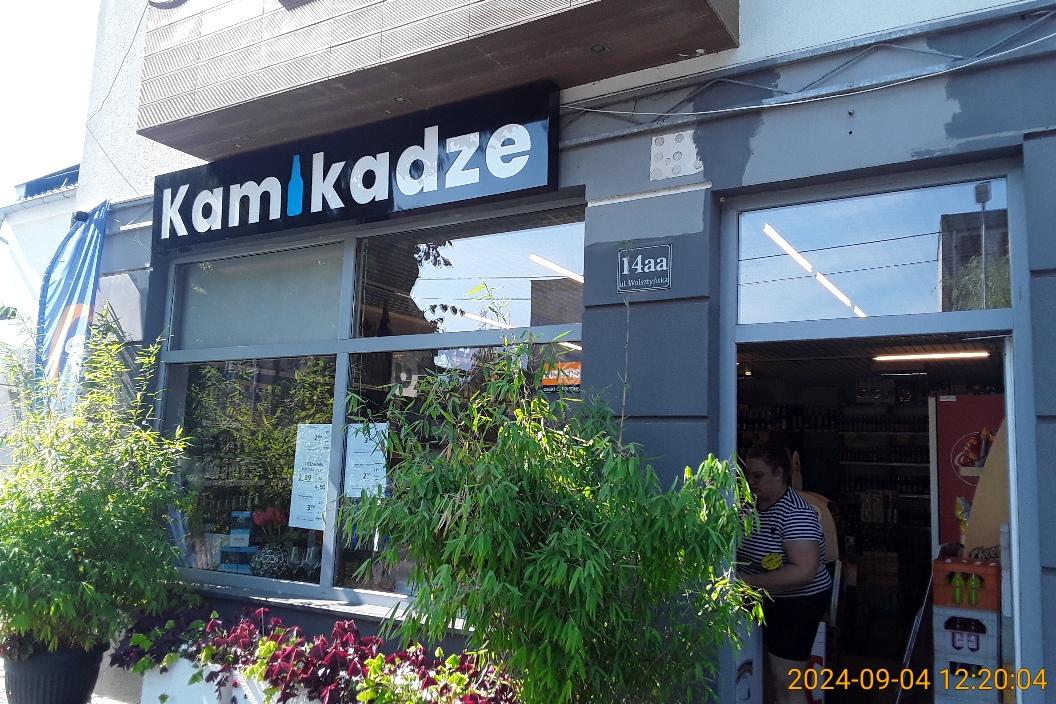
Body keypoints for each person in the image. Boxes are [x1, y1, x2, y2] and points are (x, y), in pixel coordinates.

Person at [738, 440, 833, 704]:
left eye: (758, 476)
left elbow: (804, 571)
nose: (751, 482)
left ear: (779, 473)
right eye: (748, 475)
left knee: (787, 681)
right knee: (762, 673)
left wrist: (747, 580)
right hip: (760, 598)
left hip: (798, 602)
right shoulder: (747, 506)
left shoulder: (796, 513)